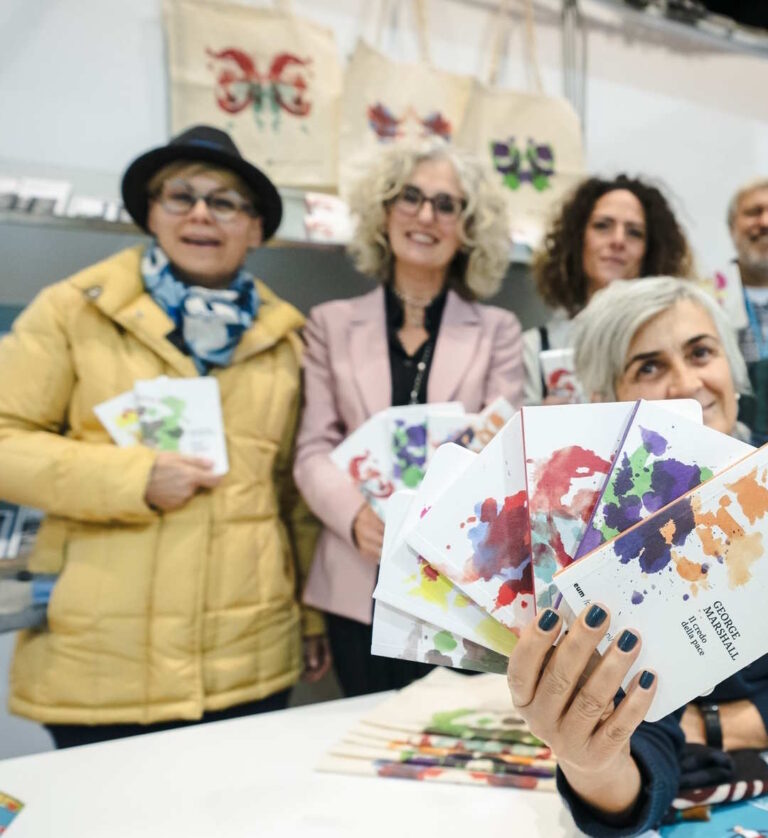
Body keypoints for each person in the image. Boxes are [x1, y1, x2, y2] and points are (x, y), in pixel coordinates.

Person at [0, 125, 329, 749]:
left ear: (256, 228)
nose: (202, 213)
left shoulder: (287, 341)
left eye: (226, 201)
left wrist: (309, 617)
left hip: (248, 658)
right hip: (102, 666)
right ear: (151, 212)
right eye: (181, 196)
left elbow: (293, 497)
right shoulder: (73, 311)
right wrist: (131, 478)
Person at [507, 277, 767, 836]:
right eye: (648, 367)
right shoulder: (590, 548)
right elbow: (641, 750)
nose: (688, 384)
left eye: (701, 352)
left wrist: (717, 727)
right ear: (606, 401)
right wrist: (591, 763)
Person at [293, 139, 524, 697]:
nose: (426, 216)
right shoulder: (329, 323)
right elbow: (311, 449)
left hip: (459, 573)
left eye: (447, 205)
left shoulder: (499, 331)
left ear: (468, 226)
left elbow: (503, 450)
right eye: (410, 197)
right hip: (356, 572)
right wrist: (354, 518)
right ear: (383, 211)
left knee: (450, 742)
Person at [523, 174, 693, 404]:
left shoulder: (679, 335)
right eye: (603, 226)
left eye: (634, 232)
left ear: (650, 252)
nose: (618, 240)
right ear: (577, 239)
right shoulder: (535, 346)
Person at [714, 178, 768, 444]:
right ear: (732, 226)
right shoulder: (706, 298)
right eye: (754, 212)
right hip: (733, 446)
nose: (765, 222)